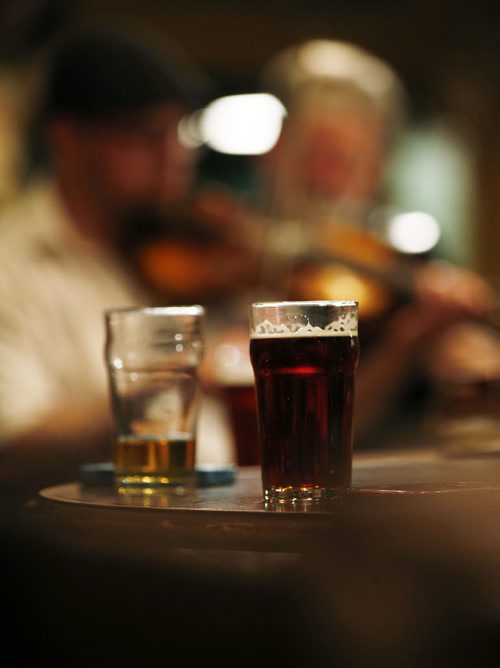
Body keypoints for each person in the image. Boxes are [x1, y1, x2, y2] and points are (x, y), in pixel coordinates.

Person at [0, 25, 235, 498]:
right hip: (101, 557)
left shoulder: (175, 251)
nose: (174, 158)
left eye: (180, 135)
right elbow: (12, 450)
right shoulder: (13, 266)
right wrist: (176, 379)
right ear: (67, 139)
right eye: (147, 136)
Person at [250, 38, 499, 449]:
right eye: (312, 154)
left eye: (346, 160)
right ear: (273, 154)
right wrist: (406, 345)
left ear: (377, 167)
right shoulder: (235, 262)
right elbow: (299, 436)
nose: (326, 179)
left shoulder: (403, 260)